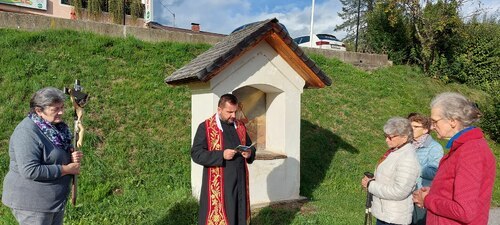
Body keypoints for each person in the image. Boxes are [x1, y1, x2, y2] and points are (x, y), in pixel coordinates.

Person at [2, 87, 83, 225]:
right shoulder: (27, 132)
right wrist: (66, 169)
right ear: (39, 110)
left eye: (62, 107)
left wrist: (70, 157)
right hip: (32, 204)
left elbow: (53, 154)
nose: (61, 112)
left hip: (52, 201)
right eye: (55, 109)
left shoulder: (55, 127)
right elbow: (30, 170)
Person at [412, 92, 495, 225]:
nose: (432, 127)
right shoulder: (464, 148)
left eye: (435, 121)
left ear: (452, 121)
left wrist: (428, 199)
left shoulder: (471, 152)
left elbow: (464, 210)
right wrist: (434, 192)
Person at [191, 93, 256, 225]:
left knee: (239, 216)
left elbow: (250, 147)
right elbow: (196, 154)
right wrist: (221, 155)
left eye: (235, 112)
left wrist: (249, 153)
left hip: (240, 183)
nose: (233, 115)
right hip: (220, 186)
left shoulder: (240, 126)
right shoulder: (206, 127)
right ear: (219, 109)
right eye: (229, 112)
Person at [361, 117, 420, 225]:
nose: (386, 140)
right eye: (385, 136)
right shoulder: (396, 151)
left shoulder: (407, 158)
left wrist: (371, 185)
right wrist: (373, 180)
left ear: (404, 137)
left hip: (395, 218)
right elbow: (389, 177)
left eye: (390, 137)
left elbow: (399, 191)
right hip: (386, 214)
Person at [407, 113, 444, 225]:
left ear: (425, 130)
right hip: (406, 191)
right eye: (410, 126)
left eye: (415, 126)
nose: (411, 129)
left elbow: (434, 172)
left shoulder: (434, 147)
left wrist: (412, 167)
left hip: (421, 193)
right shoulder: (407, 145)